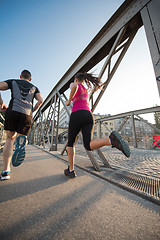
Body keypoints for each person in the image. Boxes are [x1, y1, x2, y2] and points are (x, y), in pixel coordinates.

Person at [64, 72, 130, 178]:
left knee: (70, 143)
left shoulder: (75, 84)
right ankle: (110, 140)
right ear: (84, 80)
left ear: (76, 79)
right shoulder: (86, 91)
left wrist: (69, 100)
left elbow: (74, 86)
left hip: (77, 114)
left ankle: (71, 170)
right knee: (88, 145)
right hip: (89, 116)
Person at [0, 70, 43, 180]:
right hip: (27, 115)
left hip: (13, 111)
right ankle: (21, 139)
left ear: (20, 76)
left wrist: (1, 103)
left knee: (9, 139)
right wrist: (32, 110)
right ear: (30, 79)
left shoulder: (13, 81)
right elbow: (40, 101)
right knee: (20, 135)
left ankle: (5, 171)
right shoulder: (34, 87)